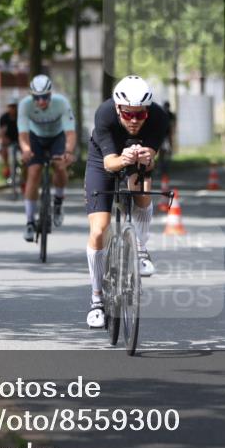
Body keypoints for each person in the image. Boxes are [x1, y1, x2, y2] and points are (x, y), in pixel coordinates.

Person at [84, 76, 169, 329]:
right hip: (104, 159)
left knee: (142, 190)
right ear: (118, 109)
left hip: (137, 156)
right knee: (99, 229)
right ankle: (97, 300)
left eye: (140, 115)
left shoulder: (158, 117)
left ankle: (140, 248)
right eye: (128, 115)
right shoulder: (105, 114)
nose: (134, 121)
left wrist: (145, 158)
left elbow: (152, 159)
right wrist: (123, 158)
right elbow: (110, 163)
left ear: (147, 112)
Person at [18, 75, 76, 241]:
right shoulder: (25, 105)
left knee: (59, 165)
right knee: (34, 171)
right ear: (32, 96)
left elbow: (70, 133)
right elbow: (22, 134)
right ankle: (29, 222)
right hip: (35, 137)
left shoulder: (62, 103)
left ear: (51, 94)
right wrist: (27, 150)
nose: (41, 101)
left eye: (45, 97)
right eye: (37, 97)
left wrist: (68, 152)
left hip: (57, 138)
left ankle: (58, 202)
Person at [0, 101, 19, 179]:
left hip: (19, 139)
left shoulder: (20, 117)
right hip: (8, 139)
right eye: (10, 107)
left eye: (14, 107)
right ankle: (6, 167)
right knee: (3, 150)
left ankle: (24, 178)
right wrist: (2, 139)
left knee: (26, 157)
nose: (12, 109)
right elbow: (1, 132)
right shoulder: (4, 118)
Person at [159, 100, 177, 178]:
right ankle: (164, 168)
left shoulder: (162, 114)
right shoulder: (169, 114)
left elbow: (172, 126)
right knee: (165, 152)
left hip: (165, 136)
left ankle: (163, 168)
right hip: (165, 136)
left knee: (163, 153)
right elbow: (173, 126)